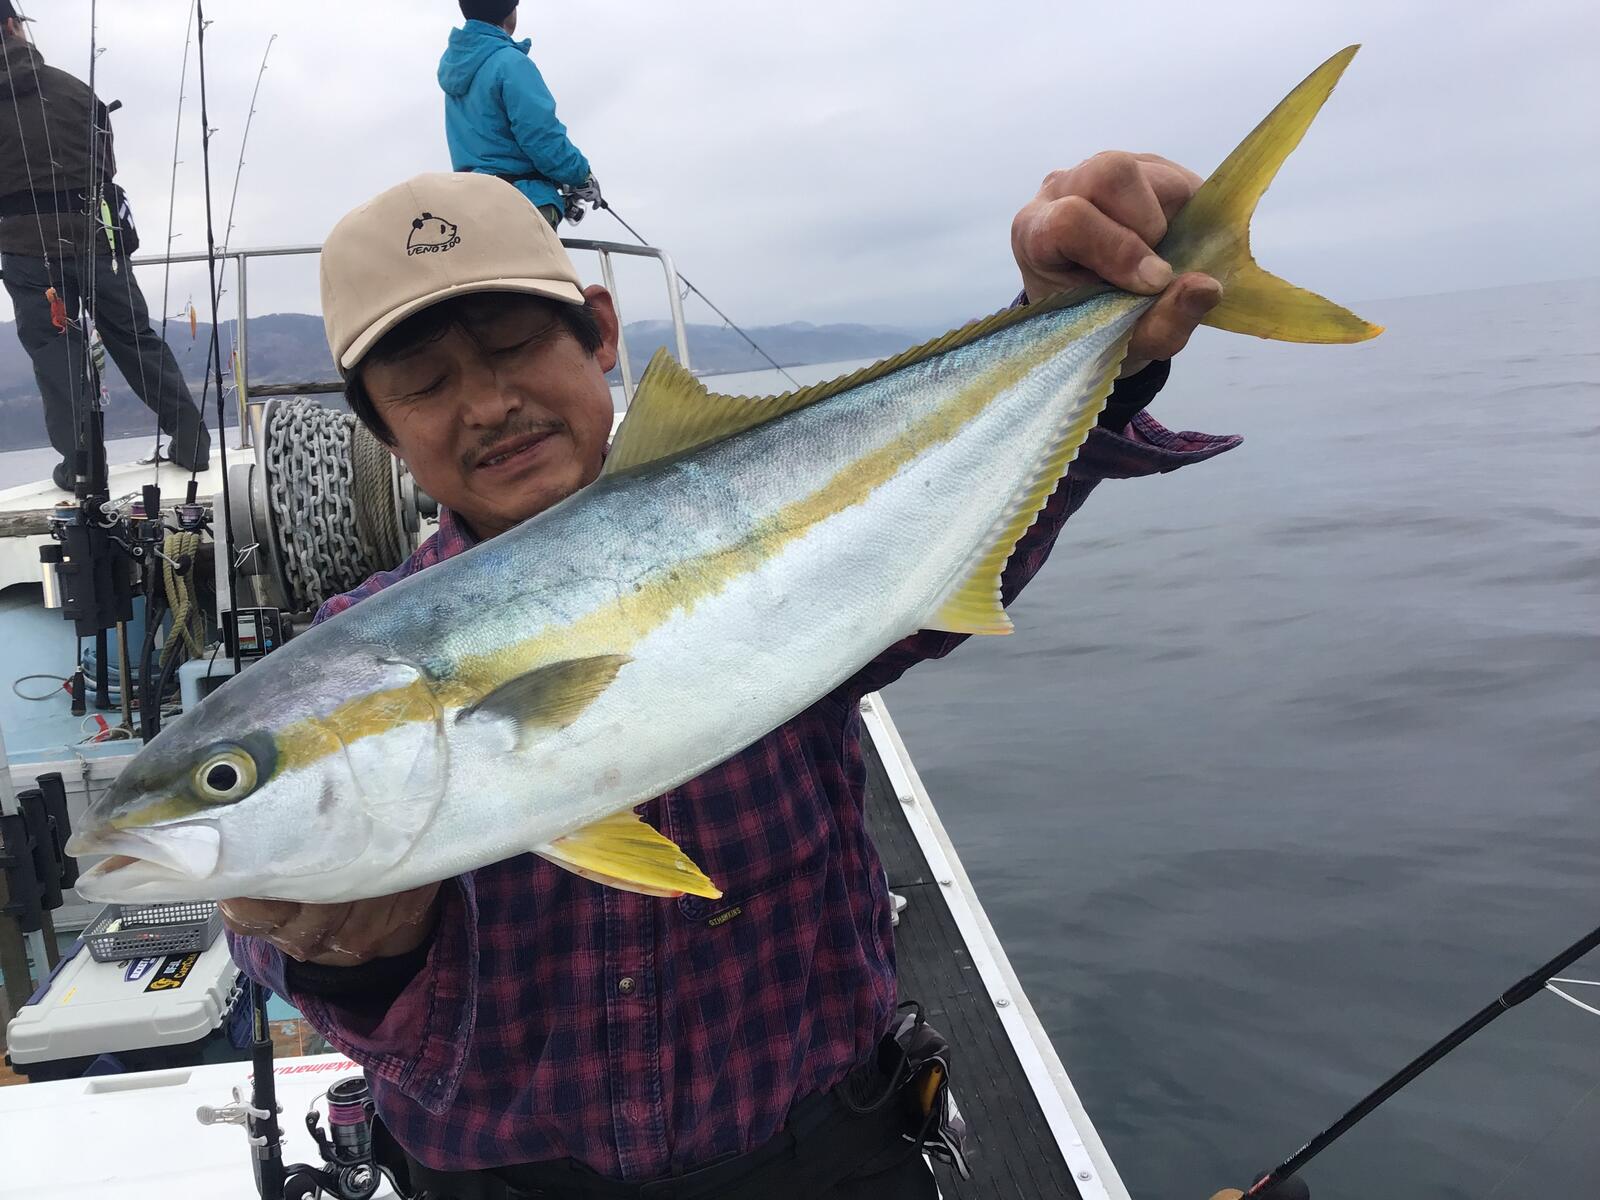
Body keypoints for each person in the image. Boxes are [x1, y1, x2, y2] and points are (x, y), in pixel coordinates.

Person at [223, 165, 1229, 1198]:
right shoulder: (340, 662)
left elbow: (939, 544)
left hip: (825, 1154)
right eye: (424, 383)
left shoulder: (764, 502)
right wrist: (347, 957)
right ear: (382, 426)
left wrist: (1092, 348)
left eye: (515, 343)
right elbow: (267, 948)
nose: (487, 403)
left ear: (599, 333)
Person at [0, 1, 210, 486]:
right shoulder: (76, 89)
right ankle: (192, 441)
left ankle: (84, 465)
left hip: (27, 251)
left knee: (55, 347)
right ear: (13, 26)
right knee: (133, 337)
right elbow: (105, 165)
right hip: (99, 238)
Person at [439, 0, 600, 229]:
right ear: (508, 12)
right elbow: (542, 137)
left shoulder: (456, 68)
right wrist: (582, 176)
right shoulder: (511, 63)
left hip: (472, 208)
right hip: (520, 205)